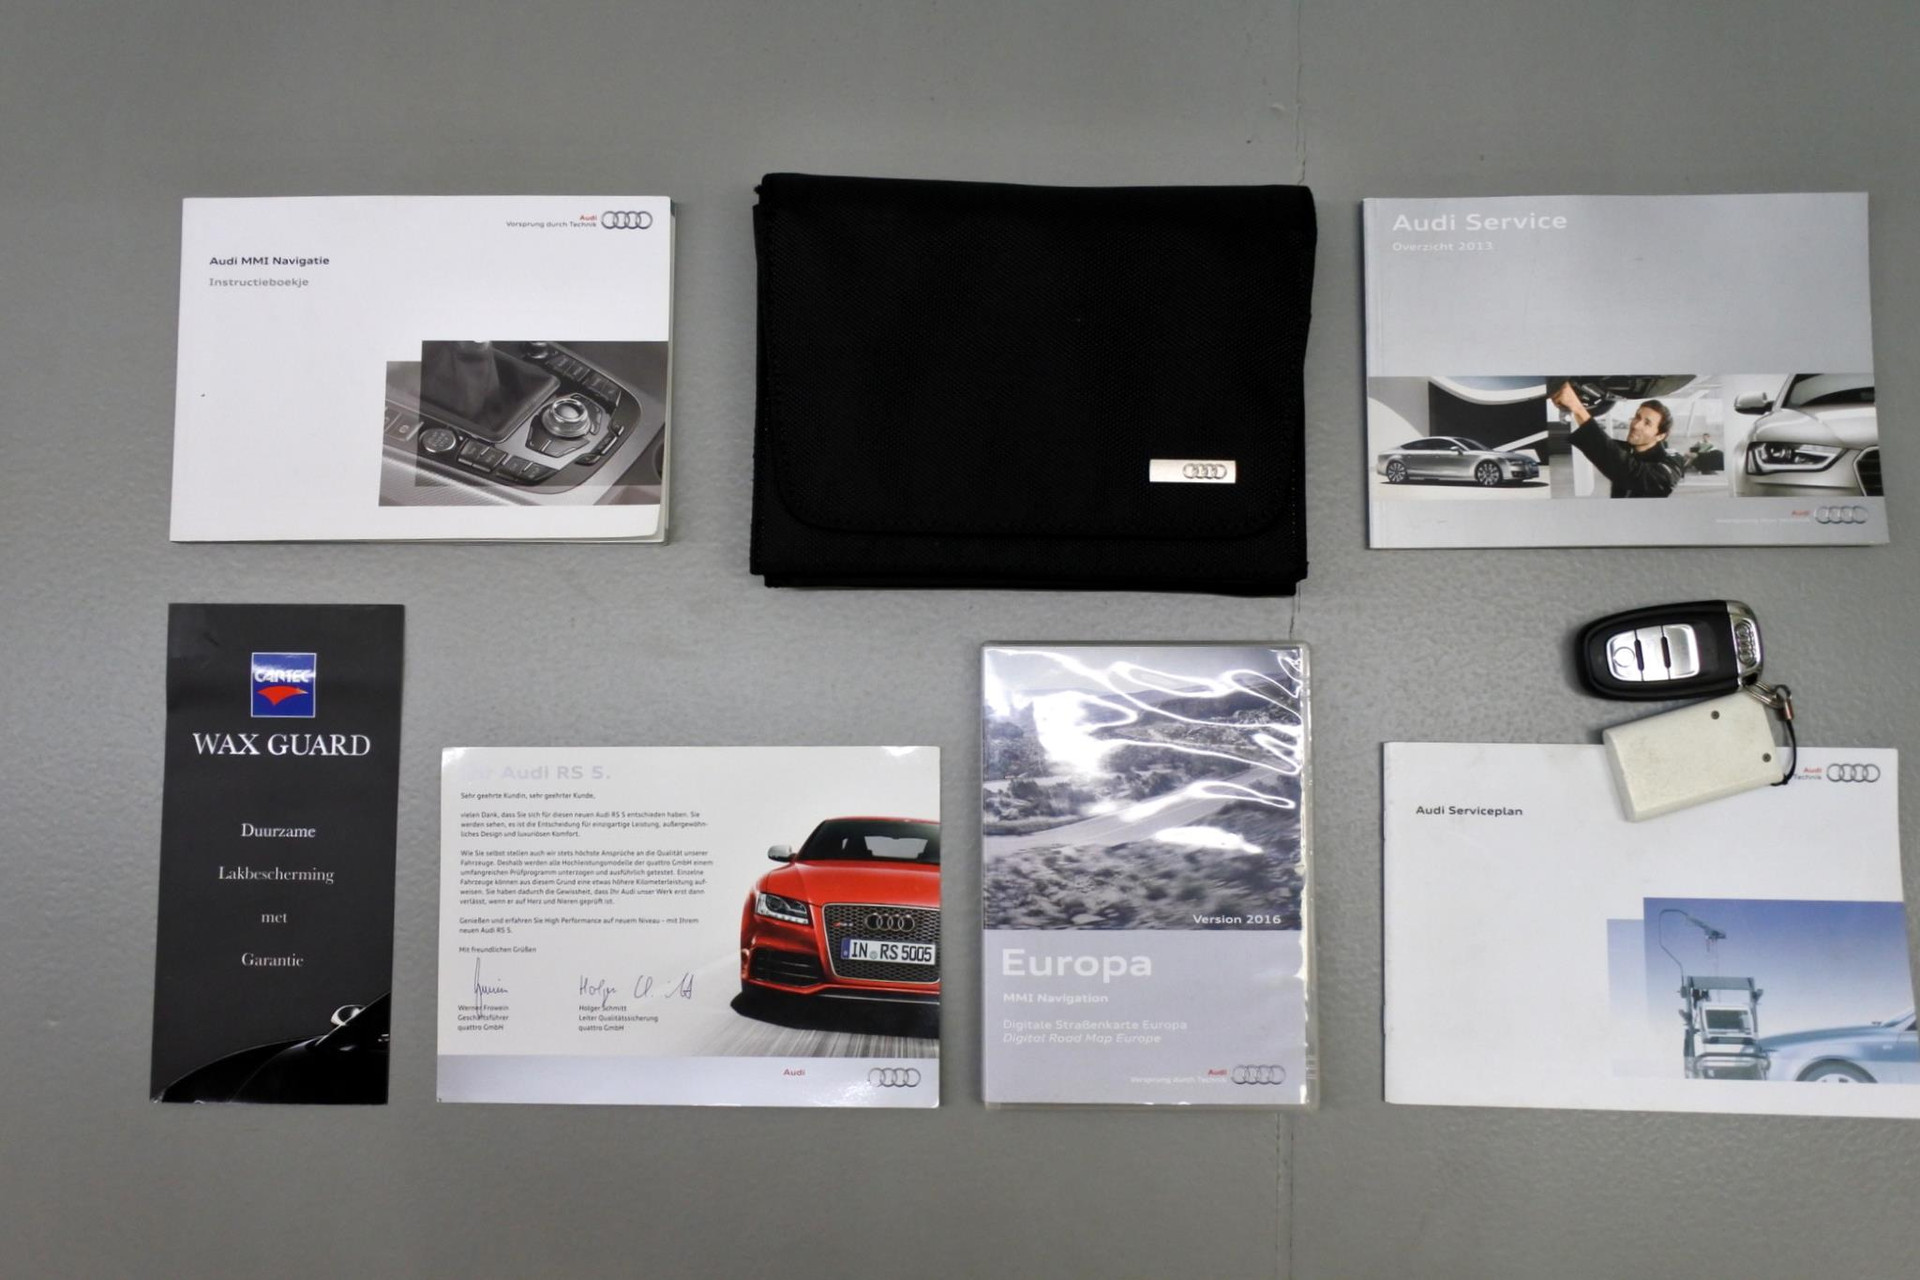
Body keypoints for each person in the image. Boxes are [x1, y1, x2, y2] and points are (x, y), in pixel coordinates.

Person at [1549, 381, 1684, 498]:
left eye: (1647, 423)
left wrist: (1578, 408)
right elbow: (1604, 448)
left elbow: (1629, 471)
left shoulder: (1673, 463)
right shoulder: (1629, 450)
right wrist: (1571, 405)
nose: (1636, 425)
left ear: (1660, 435)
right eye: (1637, 417)